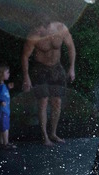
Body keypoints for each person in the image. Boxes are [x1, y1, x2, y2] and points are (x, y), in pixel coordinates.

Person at [21, 17, 76, 146]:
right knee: (43, 101)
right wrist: (26, 76)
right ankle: (44, 136)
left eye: (39, 29)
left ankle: (53, 133)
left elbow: (71, 47)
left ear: (47, 27)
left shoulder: (61, 29)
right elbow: (25, 56)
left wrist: (72, 68)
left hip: (57, 68)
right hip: (40, 70)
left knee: (57, 101)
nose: (36, 31)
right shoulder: (34, 35)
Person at [0, 64, 15, 149]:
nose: (9, 74)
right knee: (4, 127)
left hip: (5, 110)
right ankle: (6, 143)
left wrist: (8, 88)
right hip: (2, 110)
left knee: (3, 126)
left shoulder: (3, 85)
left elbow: (2, 93)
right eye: (7, 72)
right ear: (1, 74)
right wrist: (0, 101)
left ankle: (1, 142)